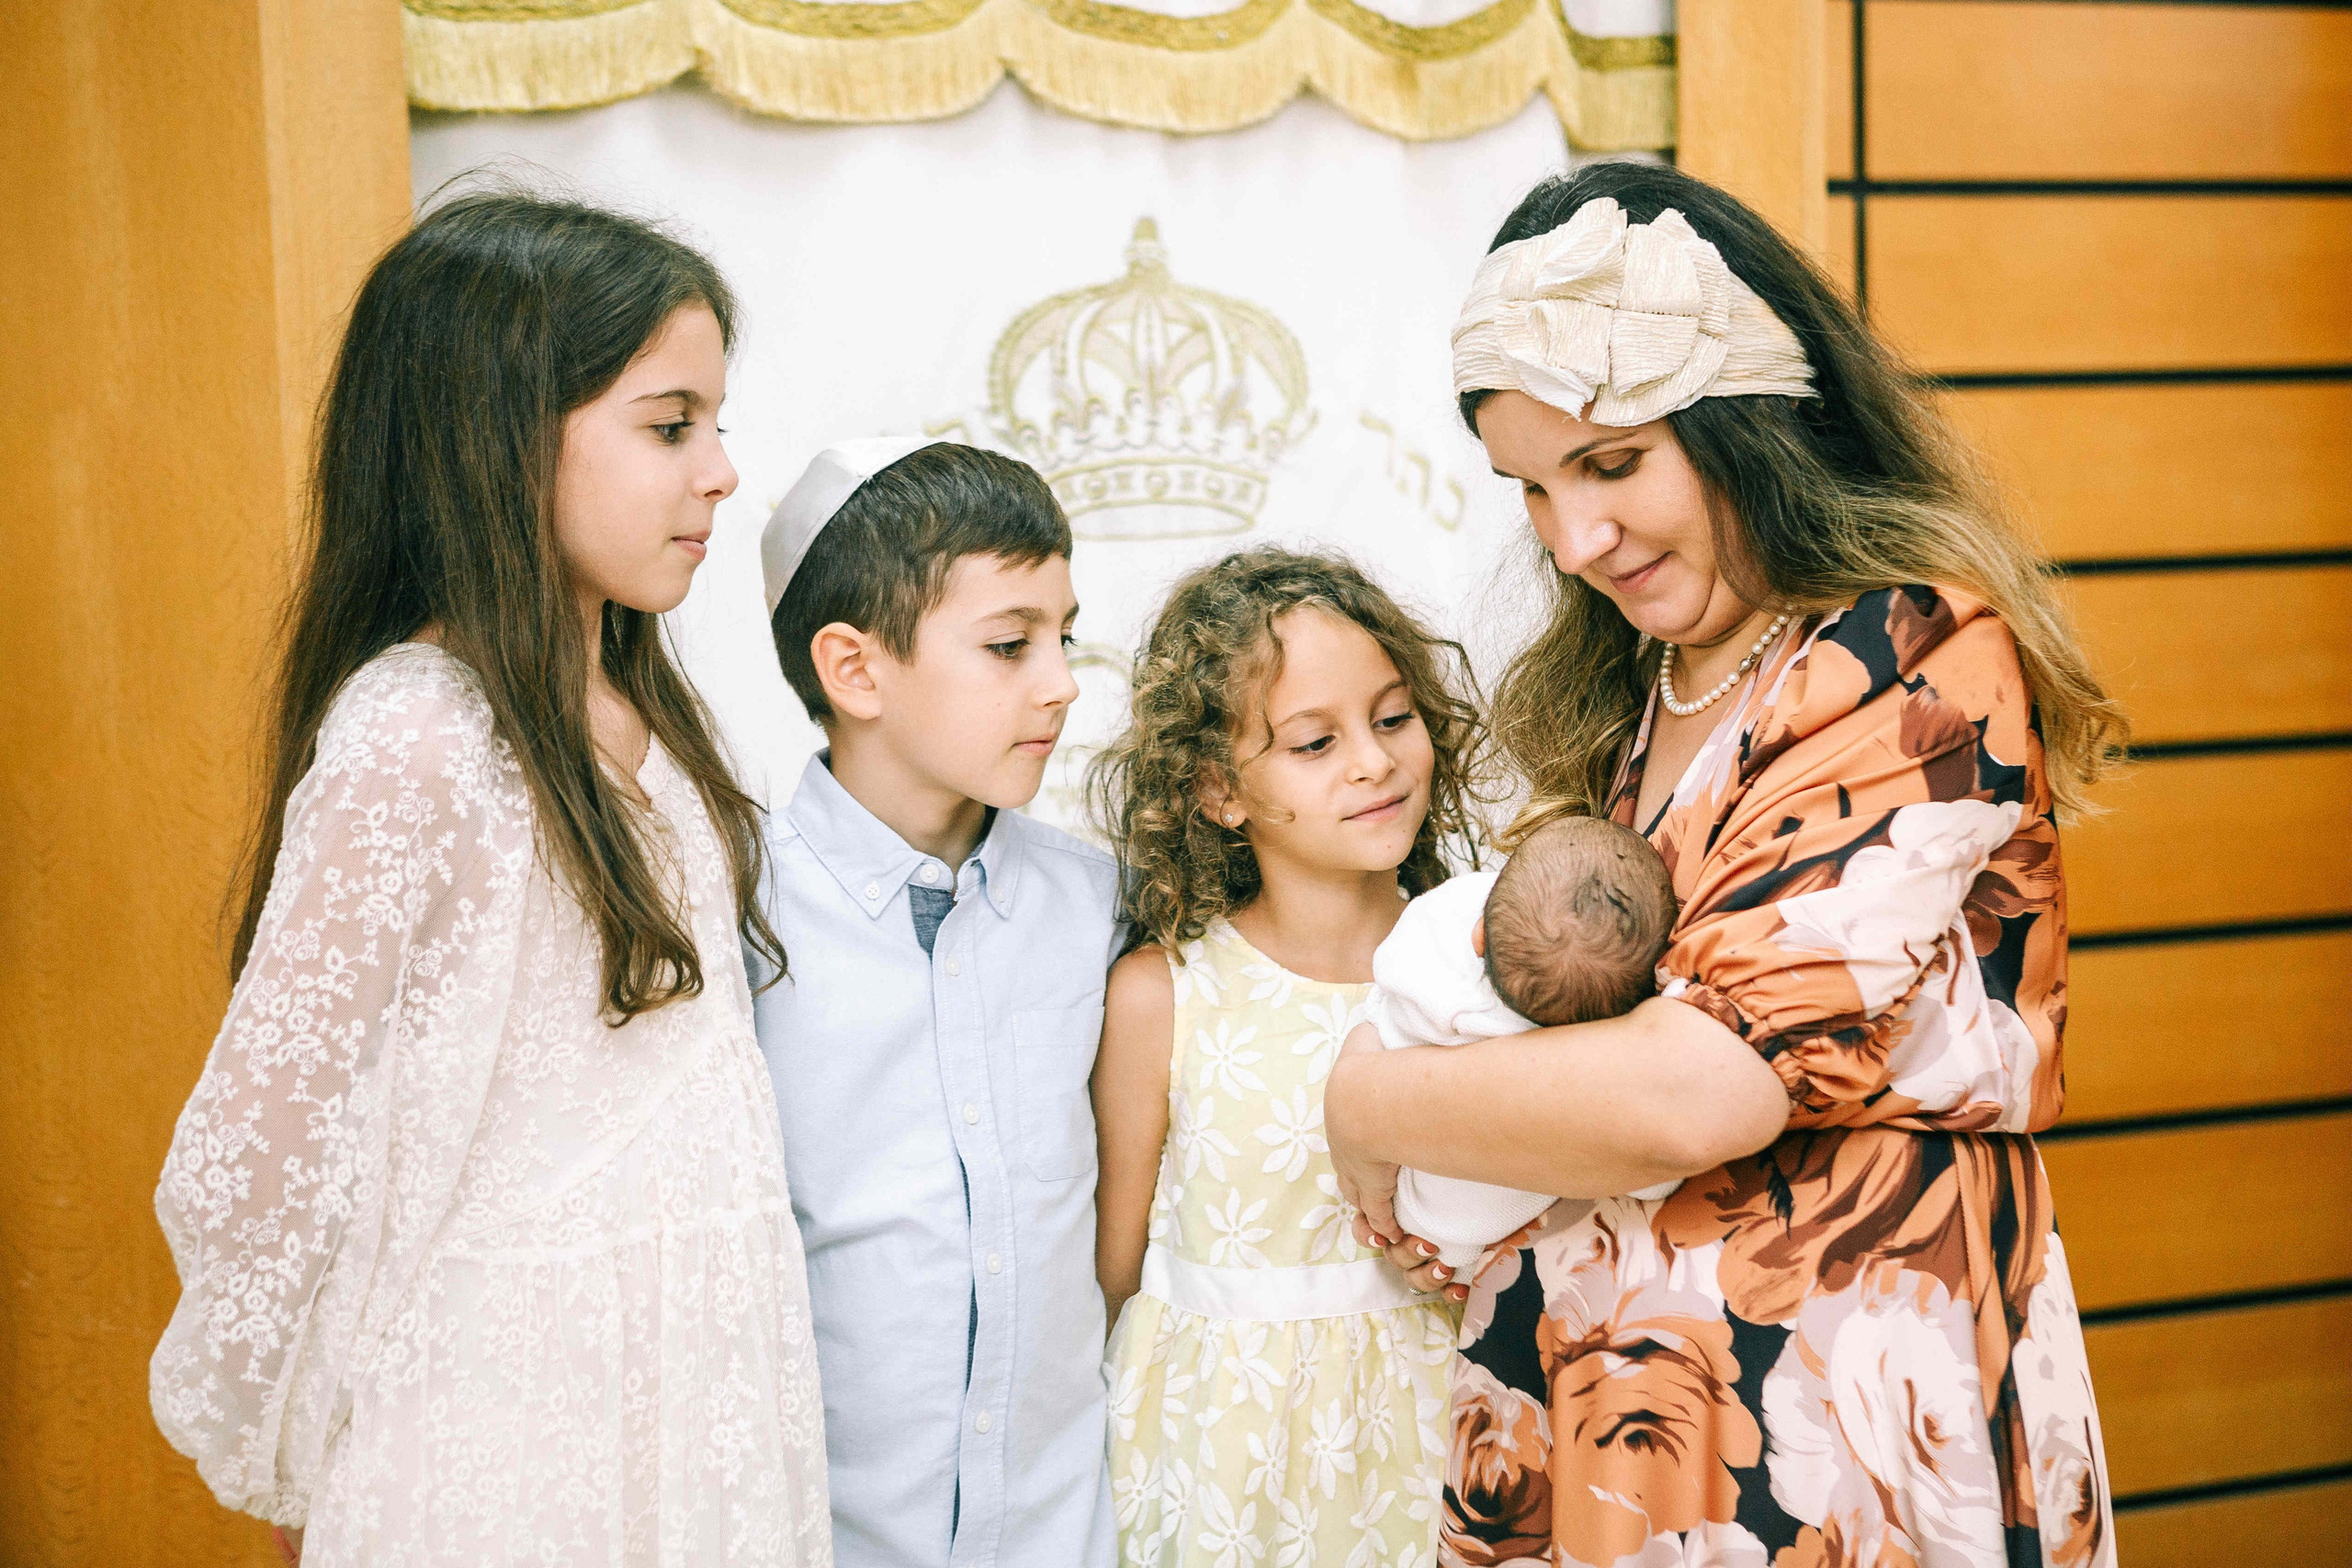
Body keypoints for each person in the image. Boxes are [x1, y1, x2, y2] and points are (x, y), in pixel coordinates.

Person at [1322, 163, 2124, 1568]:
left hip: (1829, 1401)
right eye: (1533, 487)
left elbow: (1699, 1087)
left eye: (1614, 463)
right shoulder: (1648, 678)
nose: (1576, 541)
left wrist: (1369, 1098)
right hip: (1615, 1396)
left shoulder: (1909, 652)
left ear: (1751, 421)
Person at [150, 192, 831, 1565]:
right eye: (669, 424)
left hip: (693, 1382)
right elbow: (261, 1151)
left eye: (715, 422)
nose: (721, 472)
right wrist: (317, 1433)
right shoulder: (420, 731)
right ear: (501, 436)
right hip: (513, 1429)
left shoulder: (640, 707)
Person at [750, 439, 1119, 1568]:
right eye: (1008, 644)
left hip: (1065, 1535)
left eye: (1064, 637)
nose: (1058, 681)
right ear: (854, 671)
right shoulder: (730, 917)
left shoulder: (1100, 903)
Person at [1087, 548, 1483, 1568]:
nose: (1373, 761)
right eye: (1315, 741)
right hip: (1213, 1457)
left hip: (1426, 1437)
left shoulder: (1476, 976)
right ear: (1219, 791)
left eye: (1393, 719)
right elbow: (1117, 1266)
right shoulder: (1162, 994)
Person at [1365, 816, 1685, 1272]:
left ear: (1479, 936)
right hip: (1472, 1230)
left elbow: (1390, 974)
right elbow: (1657, 1181)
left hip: (1414, 1192)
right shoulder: (1598, 1078)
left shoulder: (1440, 949)